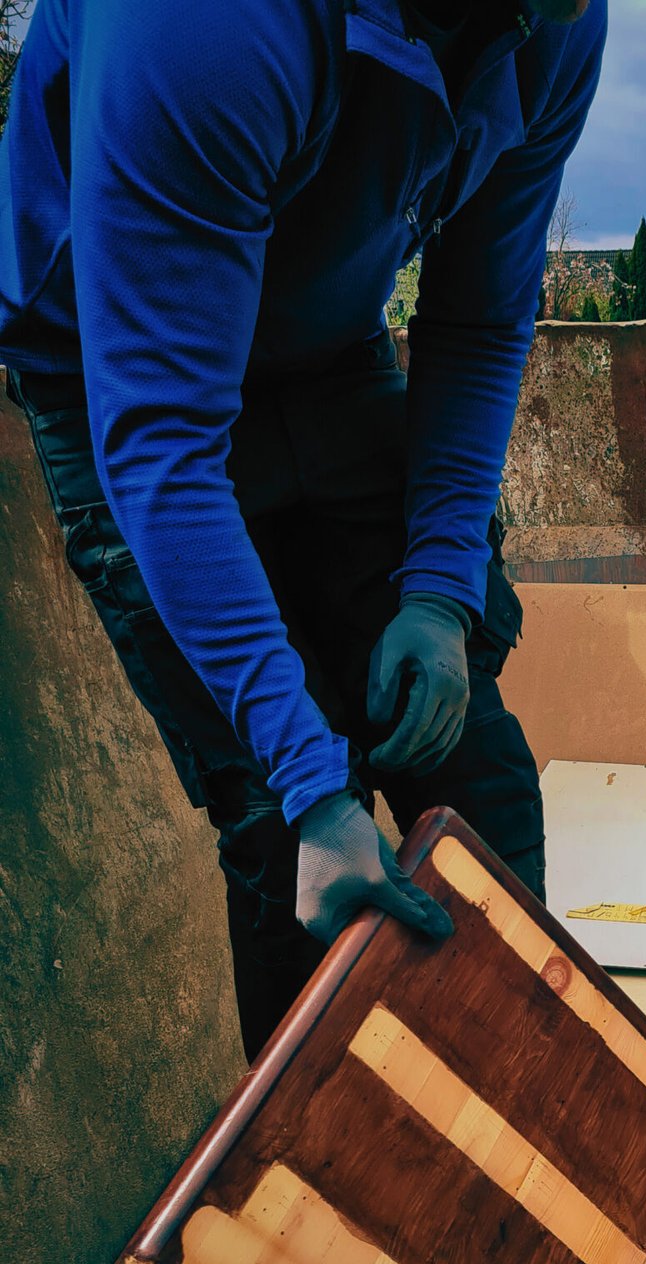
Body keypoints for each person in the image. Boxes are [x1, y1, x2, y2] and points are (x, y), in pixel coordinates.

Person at [0, 0, 606, 1058]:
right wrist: (312, 784)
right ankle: (313, 1210)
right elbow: (165, 445)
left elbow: (476, 322)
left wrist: (438, 588)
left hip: (325, 351)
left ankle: (524, 1157)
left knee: (474, 781)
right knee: (293, 846)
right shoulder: (204, 24)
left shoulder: (553, 24)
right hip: (118, 375)